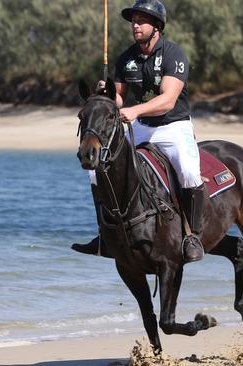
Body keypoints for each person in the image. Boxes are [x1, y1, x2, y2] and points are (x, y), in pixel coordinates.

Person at [72, 0, 206, 263]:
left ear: (157, 26)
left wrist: (135, 111)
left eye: (141, 20)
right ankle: (105, 234)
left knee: (190, 172)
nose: (135, 25)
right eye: (133, 20)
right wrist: (107, 95)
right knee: (95, 169)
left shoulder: (173, 55)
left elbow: (168, 100)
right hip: (143, 127)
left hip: (173, 126)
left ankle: (192, 235)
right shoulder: (127, 58)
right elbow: (119, 98)